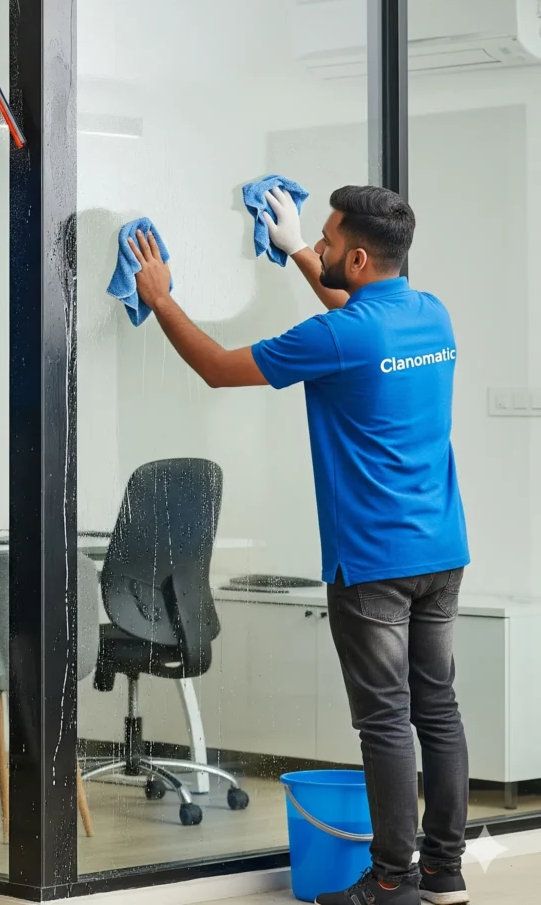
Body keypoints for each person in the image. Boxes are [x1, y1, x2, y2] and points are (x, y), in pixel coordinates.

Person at [129, 185, 470, 905]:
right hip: (441, 551)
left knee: (384, 721)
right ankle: (443, 872)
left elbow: (219, 367)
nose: (313, 245)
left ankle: (391, 880)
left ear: (355, 256)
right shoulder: (429, 313)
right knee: (435, 711)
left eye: (322, 239)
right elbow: (356, 320)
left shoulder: (343, 335)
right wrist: (292, 256)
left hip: (373, 561)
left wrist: (160, 299)